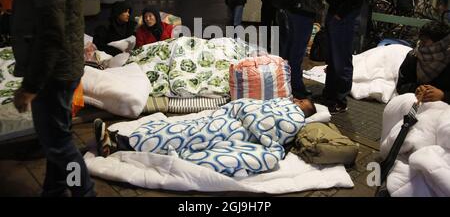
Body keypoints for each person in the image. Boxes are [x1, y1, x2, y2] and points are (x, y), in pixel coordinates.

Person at [1, 0, 95, 197]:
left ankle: (85, 192)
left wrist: (31, 85)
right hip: (61, 69)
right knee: (58, 137)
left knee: (58, 143)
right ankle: (55, 189)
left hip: (53, 74)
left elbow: (51, 33)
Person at [93, 98, 318, 157]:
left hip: (238, 131)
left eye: (300, 103)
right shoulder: (281, 104)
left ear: (304, 110)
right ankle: (118, 137)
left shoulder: (294, 119)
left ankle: (119, 144)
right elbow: (254, 105)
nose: (295, 101)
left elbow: (267, 124)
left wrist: (244, 111)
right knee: (183, 125)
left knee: (188, 135)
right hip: (229, 119)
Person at [396, 21, 450, 104]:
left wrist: (443, 95)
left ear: (440, 45)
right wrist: (417, 89)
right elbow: (401, 86)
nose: (420, 45)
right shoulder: (413, 57)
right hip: (416, 102)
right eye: (420, 41)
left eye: (424, 42)